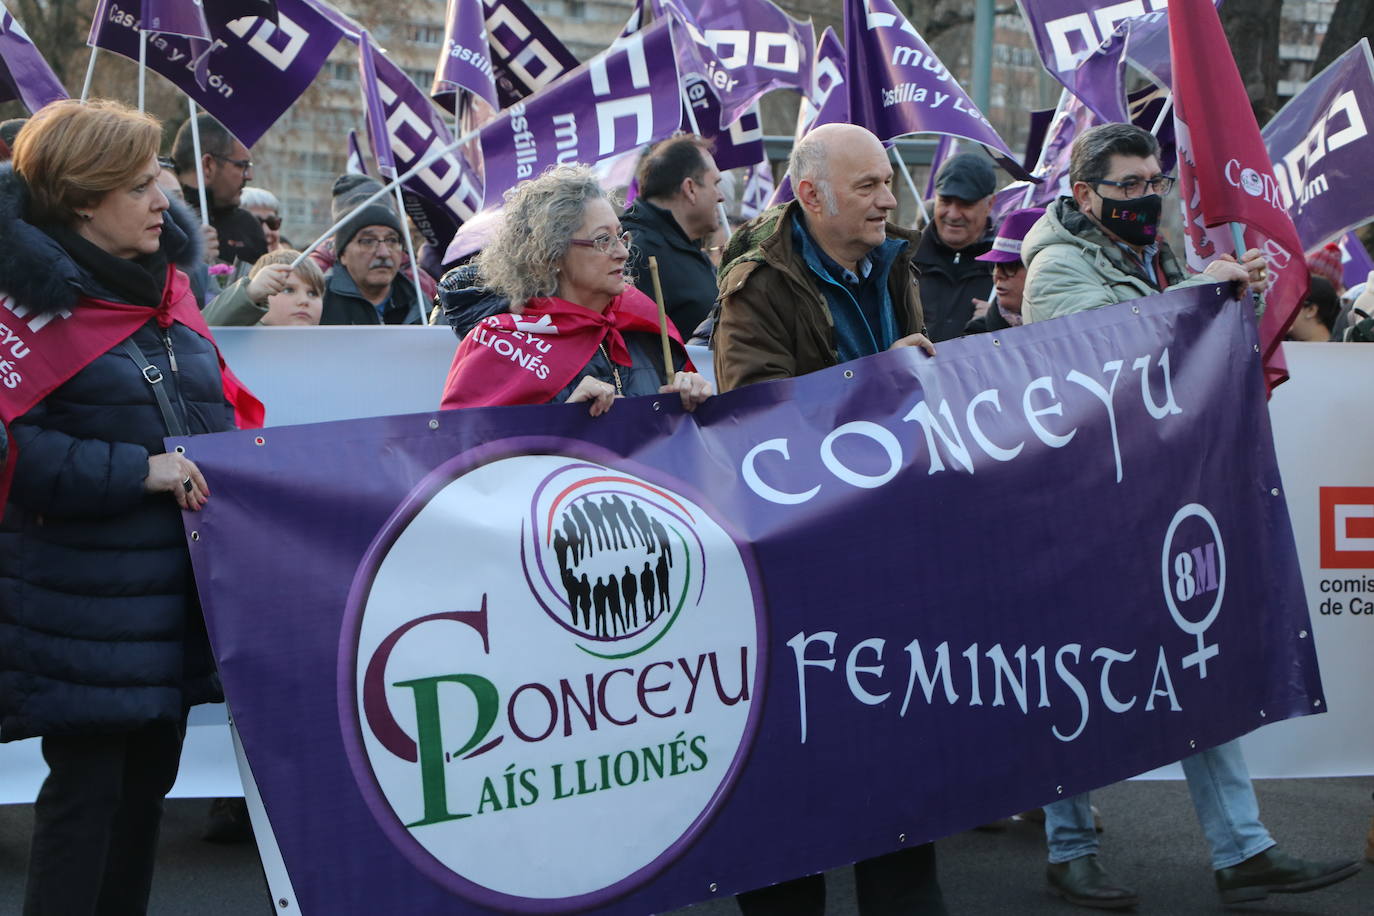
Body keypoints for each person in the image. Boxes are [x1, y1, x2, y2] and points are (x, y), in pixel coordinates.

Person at [1017, 122, 1360, 908]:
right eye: (1129, 186)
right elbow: (1104, 352)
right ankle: (1069, 847)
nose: (1147, 197)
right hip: (1080, 510)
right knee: (1075, 675)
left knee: (1194, 662)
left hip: (1157, 498)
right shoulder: (1056, 265)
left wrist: (1229, 293)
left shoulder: (1151, 254)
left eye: (1154, 182)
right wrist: (1205, 292)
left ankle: (1242, 849)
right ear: (1084, 194)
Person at [0, 98, 257, 916]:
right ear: (82, 197)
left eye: (162, 184)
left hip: (173, 592)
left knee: (147, 793)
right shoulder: (22, 306)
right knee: (87, 802)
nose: (165, 203)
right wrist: (135, 472)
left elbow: (212, 413)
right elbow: (15, 452)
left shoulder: (166, 295)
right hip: (83, 602)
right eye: (141, 186)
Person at [713, 122, 942, 915]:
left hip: (892, 554)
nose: (890, 198)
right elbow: (753, 421)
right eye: (872, 185)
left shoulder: (893, 260)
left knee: (901, 764)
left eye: (888, 180)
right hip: (802, 572)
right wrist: (875, 379)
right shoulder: (756, 286)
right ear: (811, 196)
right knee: (798, 773)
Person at [440, 163, 710, 414]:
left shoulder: (642, 324)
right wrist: (565, 420)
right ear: (552, 254)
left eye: (621, 237)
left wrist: (690, 401)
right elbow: (466, 454)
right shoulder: (502, 344)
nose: (622, 253)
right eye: (603, 240)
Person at [621, 134, 725, 339]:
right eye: (715, 183)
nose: (720, 196)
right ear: (690, 189)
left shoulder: (683, 246)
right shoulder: (636, 252)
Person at [313, 173, 436, 318]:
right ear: (342, 254)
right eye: (367, 241)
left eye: (391, 240)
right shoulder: (316, 303)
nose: (383, 253)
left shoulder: (425, 302)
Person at [914, 151, 997, 342]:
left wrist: (1001, 320)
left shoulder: (1007, 268)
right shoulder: (902, 260)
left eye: (965, 204)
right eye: (945, 201)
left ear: (990, 204)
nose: (953, 214)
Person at [172, 113, 266, 267]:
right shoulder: (161, 219)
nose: (249, 176)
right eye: (241, 165)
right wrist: (191, 256)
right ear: (208, 165)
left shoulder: (248, 227)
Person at [964, 207, 1043, 334]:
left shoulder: (1074, 327)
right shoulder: (978, 335)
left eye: (1011, 266)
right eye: (996, 265)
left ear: (1041, 267)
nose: (998, 275)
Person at [204, 249, 324, 326]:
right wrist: (250, 292)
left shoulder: (328, 350)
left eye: (313, 293)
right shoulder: (240, 341)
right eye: (288, 290)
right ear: (260, 298)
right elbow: (202, 331)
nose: (304, 301)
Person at [1286, 276, 1339, 342]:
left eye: (1288, 304)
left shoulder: (1339, 350)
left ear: (1311, 310)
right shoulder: (1282, 345)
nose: (1281, 310)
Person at [240, 187, 284, 252]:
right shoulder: (222, 260)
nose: (267, 231)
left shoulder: (292, 260)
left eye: (272, 222)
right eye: (255, 223)